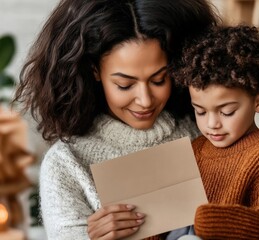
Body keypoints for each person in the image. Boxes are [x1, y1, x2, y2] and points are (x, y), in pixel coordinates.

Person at [13, 0, 220, 239]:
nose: (145, 100)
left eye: (159, 80)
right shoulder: (67, 163)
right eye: (125, 85)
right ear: (94, 71)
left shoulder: (206, 130)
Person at [171, 24, 259, 239]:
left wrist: (211, 220)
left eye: (227, 112)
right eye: (200, 111)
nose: (212, 124)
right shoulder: (197, 148)